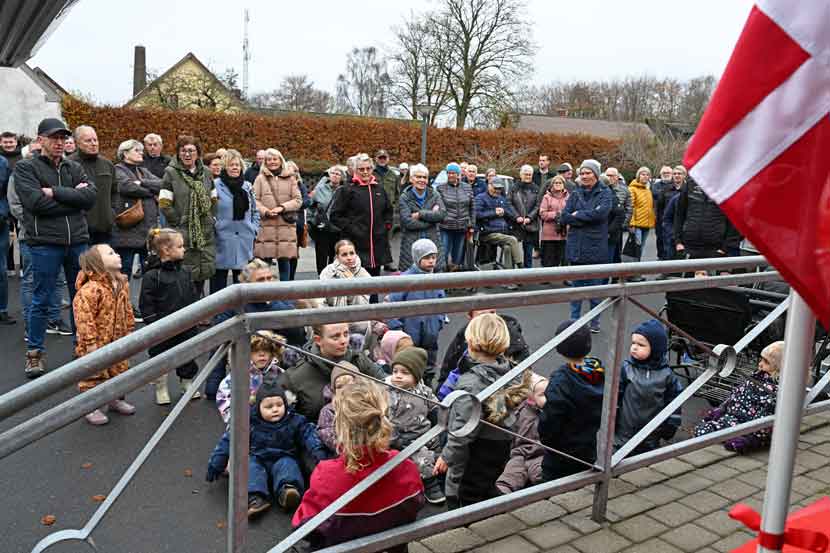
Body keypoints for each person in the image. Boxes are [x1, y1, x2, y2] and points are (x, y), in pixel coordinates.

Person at [292, 379, 424, 551]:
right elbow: (417, 504)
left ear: (341, 426)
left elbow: (305, 524)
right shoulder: (405, 466)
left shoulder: (325, 474)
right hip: (392, 545)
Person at [15, 118, 97, 377]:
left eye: (63, 138)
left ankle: (81, 346)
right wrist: (72, 197)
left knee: (81, 298)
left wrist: (54, 192)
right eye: (54, 138)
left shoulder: (74, 167)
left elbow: (89, 198)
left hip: (77, 242)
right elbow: (36, 204)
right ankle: (34, 354)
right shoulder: (26, 169)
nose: (60, 143)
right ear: (40, 140)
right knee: (41, 299)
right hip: (45, 244)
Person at [433, 313, 528, 509]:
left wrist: (446, 456)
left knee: (466, 494)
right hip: (500, 440)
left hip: (476, 450)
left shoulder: (470, 384)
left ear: (470, 342)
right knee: (486, 482)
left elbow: (464, 431)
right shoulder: (507, 368)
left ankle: (465, 522)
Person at [207, 377, 327, 517]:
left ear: (285, 404)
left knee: (288, 466)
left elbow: (309, 434)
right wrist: (217, 463)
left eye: (279, 405)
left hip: (283, 455)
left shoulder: (294, 420)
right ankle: (256, 498)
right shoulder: (249, 422)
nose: (275, 409)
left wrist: (318, 451)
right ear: (258, 407)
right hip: (257, 456)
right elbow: (229, 440)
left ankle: (288, 491)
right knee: (249, 468)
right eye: (269, 407)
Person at [204, 259, 307, 399]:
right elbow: (219, 344)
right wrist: (213, 386)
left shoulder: (281, 298)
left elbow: (298, 336)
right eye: (260, 280)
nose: (266, 284)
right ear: (247, 284)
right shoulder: (234, 305)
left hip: (280, 362)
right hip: (246, 361)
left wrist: (273, 306)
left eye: (269, 278)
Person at [72, 245, 136, 425]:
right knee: (93, 374)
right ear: (98, 264)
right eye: (110, 253)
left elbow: (127, 308)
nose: (117, 255)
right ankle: (91, 406)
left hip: (117, 339)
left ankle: (113, 399)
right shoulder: (91, 289)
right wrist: (90, 342)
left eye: (115, 252)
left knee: (118, 370)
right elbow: (84, 317)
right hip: (95, 342)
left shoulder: (122, 283)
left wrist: (129, 329)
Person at [139, 228, 201, 405]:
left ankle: (187, 383)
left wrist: (195, 315)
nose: (184, 249)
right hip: (162, 326)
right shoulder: (152, 275)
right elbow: (146, 303)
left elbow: (193, 294)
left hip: (187, 324)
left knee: (187, 353)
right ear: (166, 250)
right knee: (160, 356)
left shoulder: (186, 271)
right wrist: (153, 324)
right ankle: (161, 387)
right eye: (180, 246)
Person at [278, 322, 385, 421]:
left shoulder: (359, 359)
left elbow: (385, 385)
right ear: (318, 340)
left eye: (346, 334)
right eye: (335, 337)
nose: (343, 341)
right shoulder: (295, 376)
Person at [694, 341, 784, 453]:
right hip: (732, 418)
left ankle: (749, 441)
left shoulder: (776, 390)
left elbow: (766, 417)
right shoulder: (756, 376)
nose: (760, 364)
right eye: (761, 359)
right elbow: (737, 394)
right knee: (702, 430)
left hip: (750, 427)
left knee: (740, 441)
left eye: (766, 362)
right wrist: (721, 410)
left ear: (778, 367)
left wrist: (754, 435)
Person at [614, 320, 683, 454]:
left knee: (645, 465)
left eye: (641, 345)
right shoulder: (626, 369)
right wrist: (612, 420)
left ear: (655, 348)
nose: (634, 347)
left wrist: (671, 425)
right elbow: (615, 396)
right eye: (633, 343)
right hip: (623, 433)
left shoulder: (666, 375)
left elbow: (674, 401)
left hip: (651, 435)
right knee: (617, 462)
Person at [159, 135, 218, 292]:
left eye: (191, 151)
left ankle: (200, 309)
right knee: (184, 276)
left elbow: (214, 198)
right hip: (182, 231)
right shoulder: (171, 173)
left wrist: (211, 218)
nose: (187, 154)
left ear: (198, 154)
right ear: (178, 153)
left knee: (202, 272)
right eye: (183, 150)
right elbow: (164, 203)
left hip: (205, 230)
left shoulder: (206, 173)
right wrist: (178, 222)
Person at [387, 347, 445, 504]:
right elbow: (384, 419)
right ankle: (430, 483)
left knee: (440, 449)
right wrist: (394, 439)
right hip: (402, 438)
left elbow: (435, 407)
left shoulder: (423, 391)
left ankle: (440, 474)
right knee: (421, 459)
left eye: (404, 373)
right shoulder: (388, 392)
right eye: (395, 371)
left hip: (424, 431)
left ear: (416, 375)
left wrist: (441, 414)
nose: (398, 376)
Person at [561, 159, 612, 333]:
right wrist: (583, 216)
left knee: (594, 290)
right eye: (582, 173)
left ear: (596, 174)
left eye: (588, 172)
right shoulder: (575, 194)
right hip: (576, 246)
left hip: (596, 247)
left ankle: (594, 321)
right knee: (576, 289)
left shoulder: (605, 193)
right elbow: (564, 216)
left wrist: (578, 216)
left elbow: (600, 214)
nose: (584, 176)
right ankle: (574, 321)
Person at [387, 239, 446, 388]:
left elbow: (442, 302)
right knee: (410, 365)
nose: (431, 261)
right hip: (410, 334)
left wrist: (441, 320)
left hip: (431, 334)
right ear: (417, 258)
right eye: (427, 258)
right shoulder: (406, 279)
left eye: (433, 257)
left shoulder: (437, 279)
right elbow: (391, 306)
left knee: (430, 364)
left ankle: (428, 389)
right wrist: (397, 328)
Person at [437, 305, 529, 397]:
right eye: (482, 315)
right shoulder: (462, 339)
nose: (488, 319)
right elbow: (447, 371)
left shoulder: (468, 385)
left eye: (492, 313)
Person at [330, 153, 394, 280]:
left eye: (368, 168)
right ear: (355, 170)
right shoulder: (347, 190)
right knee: (356, 283)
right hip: (355, 245)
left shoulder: (380, 189)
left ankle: (375, 301)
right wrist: (352, 229)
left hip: (377, 244)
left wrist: (386, 226)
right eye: (361, 169)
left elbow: (388, 210)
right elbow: (335, 215)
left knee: (374, 282)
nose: (365, 172)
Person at [112, 139, 162, 295]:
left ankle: (143, 306)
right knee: (124, 273)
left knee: (149, 272)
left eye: (141, 150)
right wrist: (150, 191)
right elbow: (126, 187)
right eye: (137, 150)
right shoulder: (117, 170)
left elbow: (162, 183)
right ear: (125, 153)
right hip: (126, 231)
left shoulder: (142, 171)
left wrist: (140, 182)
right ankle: (123, 306)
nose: (141, 153)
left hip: (146, 231)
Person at [211, 149, 260, 293]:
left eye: (237, 165)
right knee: (218, 286)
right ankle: (218, 314)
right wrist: (215, 229)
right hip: (222, 239)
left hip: (244, 239)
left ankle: (241, 313)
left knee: (242, 287)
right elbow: (209, 211)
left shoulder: (247, 186)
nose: (235, 168)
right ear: (225, 166)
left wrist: (254, 229)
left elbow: (254, 211)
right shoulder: (215, 185)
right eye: (231, 165)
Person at [252, 148, 301, 281]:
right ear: (265, 162)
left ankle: (284, 297)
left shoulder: (291, 178)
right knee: (264, 265)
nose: (272, 162)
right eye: (269, 159)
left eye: (275, 159)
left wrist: (281, 208)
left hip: (285, 226)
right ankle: (265, 296)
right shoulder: (260, 179)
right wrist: (266, 211)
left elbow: (298, 200)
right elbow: (254, 200)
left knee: (284, 263)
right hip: (266, 225)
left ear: (280, 160)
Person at [216, 331, 283, 426]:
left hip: (277, 425)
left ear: (272, 353)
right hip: (247, 427)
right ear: (246, 353)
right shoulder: (235, 377)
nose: (262, 354)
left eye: (266, 350)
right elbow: (224, 403)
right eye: (256, 350)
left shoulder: (279, 373)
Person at [496, 372, 547, 493]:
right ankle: (501, 496)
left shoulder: (552, 411)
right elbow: (504, 420)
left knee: (540, 474)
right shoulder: (519, 410)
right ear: (531, 397)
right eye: (542, 395)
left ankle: (542, 494)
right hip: (519, 453)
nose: (548, 398)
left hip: (541, 452)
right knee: (511, 474)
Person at [68, 125, 116, 246]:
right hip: (80, 231)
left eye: (95, 140)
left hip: (105, 230)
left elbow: (115, 192)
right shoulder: (68, 165)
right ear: (77, 143)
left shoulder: (107, 164)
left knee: (105, 264)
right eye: (88, 140)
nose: (93, 143)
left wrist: (111, 213)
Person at [674, 176, 741, 259]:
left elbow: (736, 220)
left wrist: (725, 247)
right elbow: (679, 215)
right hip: (689, 246)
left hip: (716, 248)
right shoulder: (690, 183)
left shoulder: (728, 186)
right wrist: (678, 242)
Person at [474, 176, 523, 284]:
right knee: (513, 240)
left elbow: (510, 213)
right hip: (488, 232)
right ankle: (521, 268)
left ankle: (510, 280)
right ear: (489, 185)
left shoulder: (501, 198)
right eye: (495, 188)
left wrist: (506, 213)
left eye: (499, 188)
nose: (497, 190)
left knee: (508, 248)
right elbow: (477, 215)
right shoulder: (480, 198)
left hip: (503, 233)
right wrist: (494, 213)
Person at [398, 164, 446, 271]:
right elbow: (407, 222)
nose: (421, 180)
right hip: (411, 243)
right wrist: (431, 219)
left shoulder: (435, 195)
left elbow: (442, 214)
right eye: (418, 177)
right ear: (411, 179)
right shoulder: (405, 197)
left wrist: (421, 214)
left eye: (424, 177)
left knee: (436, 279)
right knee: (412, 281)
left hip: (433, 241)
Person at [318, 239, 372, 334]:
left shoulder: (363, 274)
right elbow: (321, 301)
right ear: (337, 257)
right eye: (344, 255)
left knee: (364, 325)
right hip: (332, 316)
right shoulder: (328, 272)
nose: (349, 257)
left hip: (356, 318)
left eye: (352, 253)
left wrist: (352, 285)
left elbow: (363, 305)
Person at [436, 162, 475, 270]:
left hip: (462, 227)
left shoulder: (467, 188)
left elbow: (472, 208)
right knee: (443, 254)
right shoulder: (441, 188)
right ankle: (441, 279)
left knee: (457, 257)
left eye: (454, 173)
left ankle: (454, 280)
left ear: (459, 174)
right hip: (446, 227)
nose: (451, 175)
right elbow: (439, 207)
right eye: (449, 173)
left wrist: (471, 225)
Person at [308, 166, 346, 273]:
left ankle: (333, 278)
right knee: (321, 256)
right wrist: (311, 222)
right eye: (333, 173)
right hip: (322, 228)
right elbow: (310, 206)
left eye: (338, 174)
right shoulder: (319, 189)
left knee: (335, 255)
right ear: (329, 175)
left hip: (337, 229)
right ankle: (321, 278)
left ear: (342, 177)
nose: (335, 175)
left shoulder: (344, 190)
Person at [316, 362, 358, 454]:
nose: (344, 389)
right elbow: (327, 433)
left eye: (349, 384)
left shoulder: (367, 403)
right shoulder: (328, 410)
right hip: (344, 453)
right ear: (334, 391)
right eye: (339, 386)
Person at [509, 165, 541, 269]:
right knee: (515, 252)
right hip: (516, 225)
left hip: (530, 225)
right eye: (525, 174)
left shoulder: (536, 189)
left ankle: (528, 275)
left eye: (529, 174)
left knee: (528, 252)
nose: (527, 176)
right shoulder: (513, 188)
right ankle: (515, 274)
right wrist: (516, 216)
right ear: (520, 174)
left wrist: (529, 218)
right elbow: (508, 203)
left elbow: (538, 205)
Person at [539, 174, 569, 268]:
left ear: (564, 184)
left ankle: (565, 278)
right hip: (549, 234)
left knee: (564, 258)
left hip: (564, 233)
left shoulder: (568, 197)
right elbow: (542, 213)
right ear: (552, 185)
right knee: (548, 258)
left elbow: (571, 211)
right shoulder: (546, 197)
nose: (558, 184)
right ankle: (546, 278)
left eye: (560, 183)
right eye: (556, 183)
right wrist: (556, 214)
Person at [656, 166, 686, 260]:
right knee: (668, 254)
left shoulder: (688, 190)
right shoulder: (666, 189)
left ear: (684, 175)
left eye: (679, 174)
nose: (677, 176)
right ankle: (667, 274)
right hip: (669, 227)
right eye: (675, 174)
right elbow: (659, 208)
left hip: (684, 228)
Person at [627, 167, 655, 264]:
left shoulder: (648, 190)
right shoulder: (632, 189)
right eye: (643, 174)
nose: (645, 176)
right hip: (636, 224)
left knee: (641, 248)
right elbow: (631, 207)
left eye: (647, 175)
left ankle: (636, 270)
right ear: (638, 175)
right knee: (635, 249)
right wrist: (632, 224)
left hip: (646, 225)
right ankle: (632, 272)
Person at [605, 167, 632, 264]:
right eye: (607, 175)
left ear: (617, 177)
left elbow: (629, 208)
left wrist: (623, 224)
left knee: (617, 251)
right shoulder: (601, 189)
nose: (609, 178)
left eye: (611, 175)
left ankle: (615, 276)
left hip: (618, 226)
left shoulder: (625, 190)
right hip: (605, 225)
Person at [0, 155, 13, 325]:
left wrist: (3, 213)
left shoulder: (2, 163)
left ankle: (2, 309)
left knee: (1, 270)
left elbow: (7, 191)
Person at [651, 166, 674, 259]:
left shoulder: (675, 184)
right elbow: (656, 195)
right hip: (659, 217)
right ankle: (660, 257)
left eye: (668, 173)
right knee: (660, 238)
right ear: (661, 174)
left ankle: (669, 258)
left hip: (672, 217)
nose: (666, 174)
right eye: (664, 173)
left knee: (670, 239)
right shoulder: (655, 186)